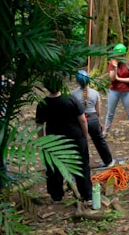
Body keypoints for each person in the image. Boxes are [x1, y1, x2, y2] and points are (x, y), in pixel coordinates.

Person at [35, 73, 92, 204]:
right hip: (75, 138)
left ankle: (56, 195)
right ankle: (86, 195)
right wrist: (85, 135)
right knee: (81, 166)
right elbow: (82, 120)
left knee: (54, 167)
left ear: (46, 87)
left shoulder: (43, 104)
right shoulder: (71, 99)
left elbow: (39, 125)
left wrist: (42, 141)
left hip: (53, 142)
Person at [71, 70, 115, 168]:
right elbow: (98, 112)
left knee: (81, 141)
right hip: (93, 119)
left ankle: (83, 165)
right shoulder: (95, 93)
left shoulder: (73, 94)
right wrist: (96, 121)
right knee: (99, 140)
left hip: (79, 121)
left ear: (78, 82)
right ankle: (109, 161)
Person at [104, 43, 129, 143]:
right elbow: (112, 79)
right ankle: (105, 131)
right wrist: (115, 67)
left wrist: (119, 78)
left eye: (119, 54)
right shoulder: (112, 63)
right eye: (116, 54)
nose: (117, 56)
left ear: (123, 55)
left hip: (127, 92)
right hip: (114, 91)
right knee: (110, 113)